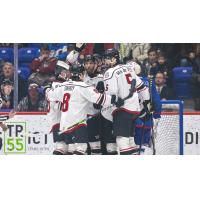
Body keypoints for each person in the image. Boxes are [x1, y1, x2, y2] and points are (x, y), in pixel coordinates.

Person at [46, 68, 122, 155]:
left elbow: (49, 96)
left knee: (68, 148)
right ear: (81, 75)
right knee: (81, 148)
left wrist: (47, 89)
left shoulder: (62, 86)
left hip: (64, 125)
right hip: (77, 123)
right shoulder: (83, 86)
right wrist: (113, 99)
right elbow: (98, 98)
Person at [101, 48, 150, 155]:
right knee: (130, 139)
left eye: (108, 59)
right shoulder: (129, 68)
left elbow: (111, 94)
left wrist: (111, 101)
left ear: (115, 59)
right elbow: (143, 88)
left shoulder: (110, 72)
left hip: (122, 111)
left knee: (122, 140)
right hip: (134, 111)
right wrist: (146, 104)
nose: (106, 61)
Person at [130, 62, 161, 155]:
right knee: (145, 146)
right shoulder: (149, 82)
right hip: (147, 120)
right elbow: (156, 101)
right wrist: (157, 116)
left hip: (132, 121)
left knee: (131, 147)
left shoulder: (127, 82)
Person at [45, 60, 72, 155]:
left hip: (58, 121)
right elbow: (58, 105)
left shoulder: (52, 85)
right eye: (66, 72)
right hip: (62, 121)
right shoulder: (59, 85)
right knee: (66, 147)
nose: (68, 74)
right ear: (60, 72)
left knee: (62, 146)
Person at [83, 54, 103, 155]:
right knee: (83, 149)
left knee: (97, 149)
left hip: (97, 117)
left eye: (91, 63)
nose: (89, 66)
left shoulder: (102, 79)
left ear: (96, 64)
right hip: (82, 118)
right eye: (86, 63)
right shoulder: (81, 78)